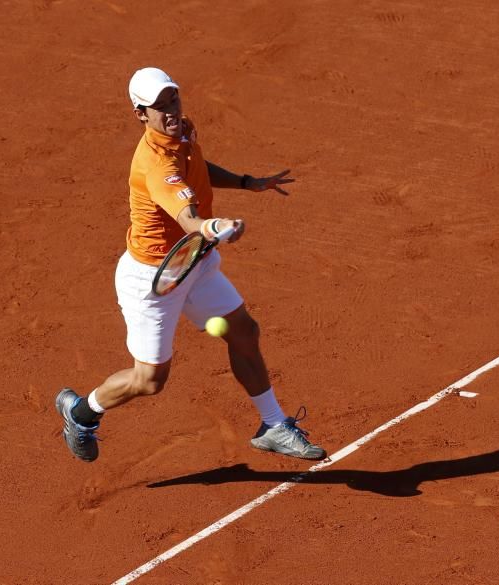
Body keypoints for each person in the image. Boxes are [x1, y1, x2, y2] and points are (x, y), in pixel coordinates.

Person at [55, 67, 326, 463]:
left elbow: (197, 169)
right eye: (158, 107)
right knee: (149, 381)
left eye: (173, 100)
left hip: (191, 262)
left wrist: (248, 182)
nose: (170, 112)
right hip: (155, 278)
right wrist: (214, 226)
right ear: (140, 114)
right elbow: (188, 218)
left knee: (244, 332)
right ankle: (81, 413)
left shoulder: (180, 132)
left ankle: (273, 425)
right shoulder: (156, 166)